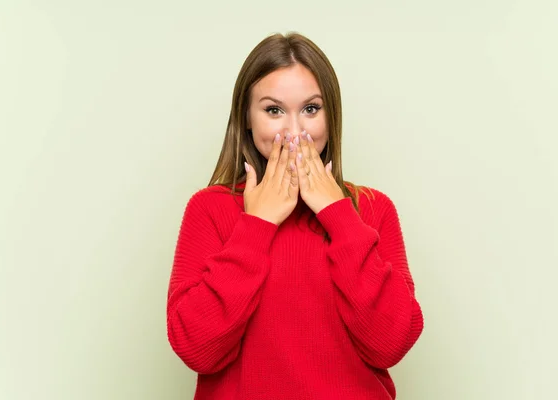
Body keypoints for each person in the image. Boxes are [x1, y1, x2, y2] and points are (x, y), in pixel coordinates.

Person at [166, 32, 424, 400]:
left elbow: (392, 342)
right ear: (247, 119)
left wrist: (337, 214)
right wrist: (258, 224)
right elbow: (196, 347)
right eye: (273, 110)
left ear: (331, 116)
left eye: (311, 109)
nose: (294, 131)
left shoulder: (371, 208)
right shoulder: (210, 209)